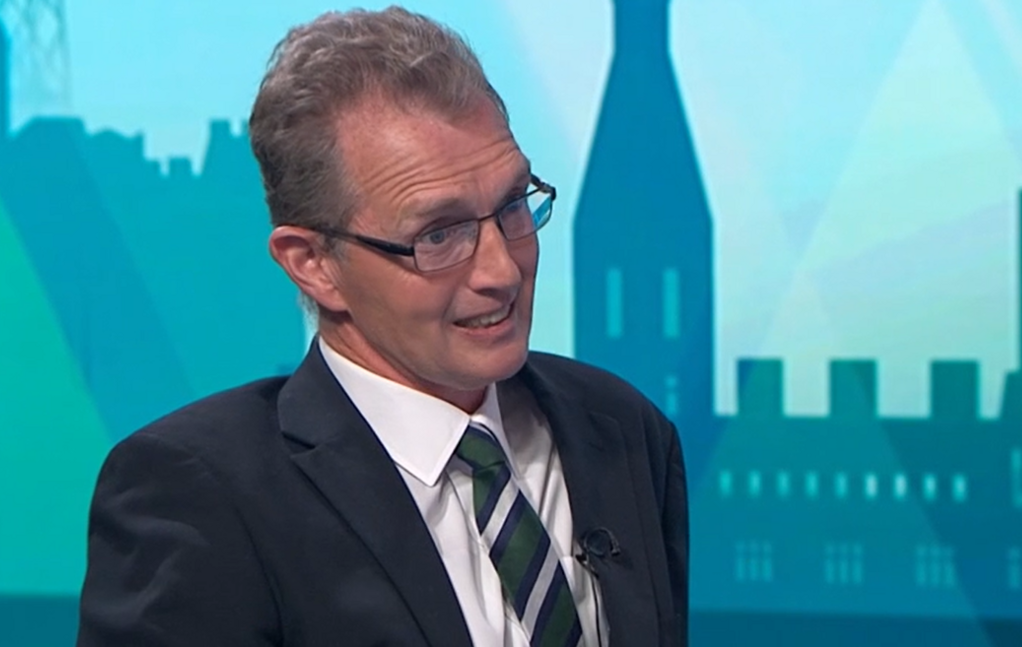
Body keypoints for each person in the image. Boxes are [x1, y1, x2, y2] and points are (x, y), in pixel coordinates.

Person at [76, 6, 687, 647]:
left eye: (512, 205)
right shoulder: (200, 494)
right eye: (438, 234)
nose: (502, 269)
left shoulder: (622, 431)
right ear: (313, 265)